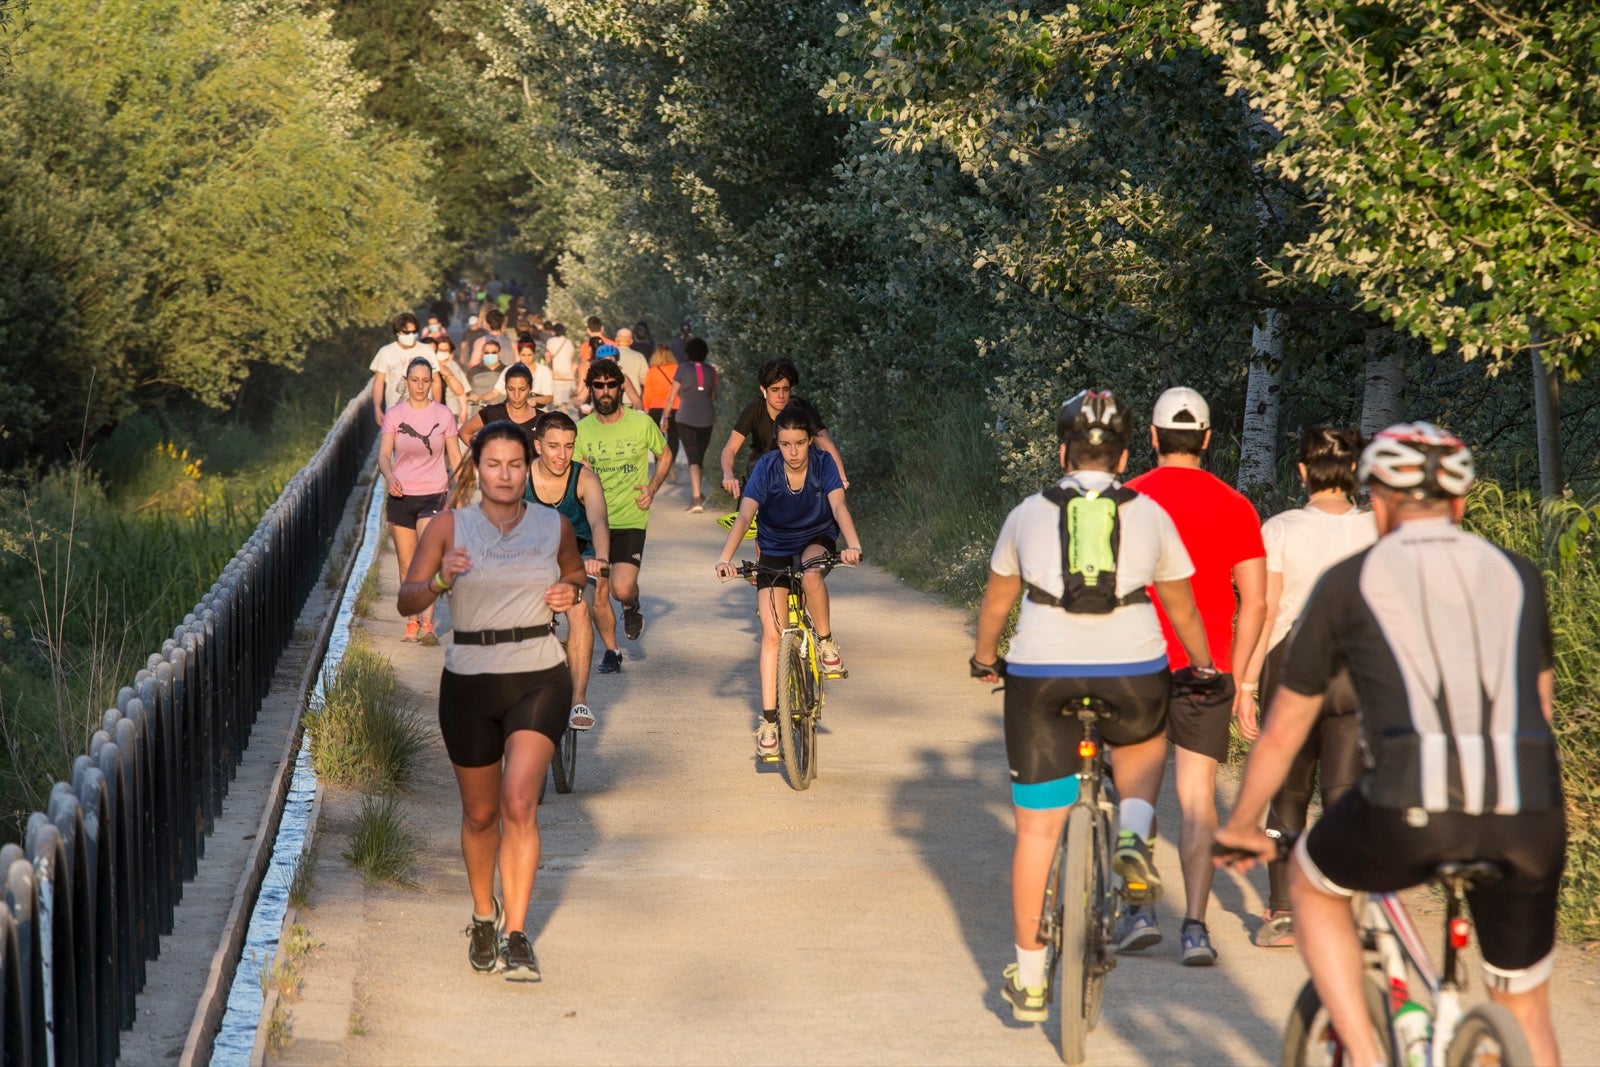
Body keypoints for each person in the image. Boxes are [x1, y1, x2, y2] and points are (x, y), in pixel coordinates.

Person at [1215, 423, 1566, 1067]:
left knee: (1316, 887)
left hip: (1411, 804)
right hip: (1531, 812)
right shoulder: (1518, 575)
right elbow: (1537, 707)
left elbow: (1286, 727)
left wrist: (1240, 824)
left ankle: (1368, 1053)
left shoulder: (1351, 581)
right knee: (1525, 1006)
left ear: (1377, 501)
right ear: (1460, 504)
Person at [969, 389, 1227, 1024]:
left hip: (1040, 677)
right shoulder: (1150, 513)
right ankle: (1133, 836)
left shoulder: (1027, 513)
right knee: (1142, 748)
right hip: (1131, 672)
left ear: (1062, 452)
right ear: (1124, 456)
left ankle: (1031, 982)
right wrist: (1203, 667)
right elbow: (1185, 608)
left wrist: (983, 659)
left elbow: (997, 605)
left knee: (1035, 831)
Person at [399, 420, 587, 978]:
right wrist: (440, 583)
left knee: (518, 803)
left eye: (513, 465)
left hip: (536, 672)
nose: (504, 475)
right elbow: (408, 600)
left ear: (526, 467)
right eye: (492, 465)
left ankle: (517, 934)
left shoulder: (552, 526)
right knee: (481, 814)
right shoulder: (447, 526)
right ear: (475, 469)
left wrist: (569, 590)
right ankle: (484, 914)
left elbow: (575, 571)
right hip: (470, 678)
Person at [1121, 386, 1266, 965]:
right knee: (1198, 797)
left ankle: (1138, 911)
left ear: (1151, 438)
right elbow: (1255, 601)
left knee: (1137, 792)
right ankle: (1196, 928)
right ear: (1208, 439)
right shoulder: (1236, 505)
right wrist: (1242, 677)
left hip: (1137, 662)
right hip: (1207, 668)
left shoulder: (1127, 499)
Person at [1235, 427, 1377, 948]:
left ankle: (1281, 913)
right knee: (1342, 793)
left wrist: (1246, 682)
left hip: (1292, 666)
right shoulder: (1378, 529)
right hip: (1356, 671)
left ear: (1301, 472)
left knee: (1290, 792)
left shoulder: (1280, 529)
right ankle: (1343, 910)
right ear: (1355, 474)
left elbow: (1267, 609)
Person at [715, 406, 863, 758]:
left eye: (799, 443)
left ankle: (826, 643)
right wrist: (725, 557)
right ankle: (769, 722)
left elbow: (839, 507)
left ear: (810, 441)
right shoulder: (765, 468)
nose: (793, 452)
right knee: (771, 633)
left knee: (812, 573)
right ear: (776, 444)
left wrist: (853, 544)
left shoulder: (824, 464)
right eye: (784, 444)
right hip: (775, 548)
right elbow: (746, 514)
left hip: (816, 538)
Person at [574, 360, 671, 671]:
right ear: (591, 389)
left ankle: (632, 605)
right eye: (599, 386)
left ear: (621, 388)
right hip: (593, 521)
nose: (605, 391)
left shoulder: (641, 424)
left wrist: (653, 488)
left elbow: (665, 454)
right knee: (599, 591)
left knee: (622, 588)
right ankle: (612, 653)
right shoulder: (581, 430)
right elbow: (574, 473)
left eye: (611, 385)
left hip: (631, 517)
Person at [529, 411, 612, 730]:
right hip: (532, 564)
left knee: (578, 612)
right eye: (553, 446)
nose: (561, 455)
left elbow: (598, 521)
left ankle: (578, 700)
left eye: (568, 446)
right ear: (538, 446)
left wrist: (601, 558)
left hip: (578, 563)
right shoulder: (521, 477)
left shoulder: (584, 479)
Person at [379, 356, 462, 645]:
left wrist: (458, 491)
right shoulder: (395, 414)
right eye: (415, 380)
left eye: (425, 380)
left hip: (434, 493)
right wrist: (390, 478)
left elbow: (456, 457)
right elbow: (383, 454)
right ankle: (412, 621)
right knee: (407, 562)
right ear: (406, 381)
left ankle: (427, 624)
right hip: (401, 494)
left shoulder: (443, 415)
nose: (420, 386)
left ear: (431, 382)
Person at [719, 358, 848, 498]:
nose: (781, 396)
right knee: (757, 477)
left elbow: (825, 443)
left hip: (799, 466)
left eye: (785, 390)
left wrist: (840, 477)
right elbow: (730, 448)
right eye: (775, 390)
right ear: (764, 390)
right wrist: (728, 475)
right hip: (762, 468)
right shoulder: (755, 410)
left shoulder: (801, 407)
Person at [662, 337, 718, 512]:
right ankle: (698, 492)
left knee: (692, 456)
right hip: (706, 417)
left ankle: (695, 499)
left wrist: (665, 417)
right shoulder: (712, 371)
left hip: (685, 417)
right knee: (699, 457)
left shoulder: (682, 369)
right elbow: (713, 396)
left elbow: (672, 396)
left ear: (687, 353)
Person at [370, 313, 440, 427]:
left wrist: (437, 407)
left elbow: (436, 380)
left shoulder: (426, 351)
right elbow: (379, 382)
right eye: (407, 332)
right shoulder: (385, 352)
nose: (411, 335)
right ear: (397, 332)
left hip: (424, 413)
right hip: (395, 413)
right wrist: (377, 409)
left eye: (414, 332)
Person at [460, 364, 540, 452]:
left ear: (530, 388)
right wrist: (485, 454)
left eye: (522, 389)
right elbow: (464, 432)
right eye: (511, 389)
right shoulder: (492, 413)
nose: (516, 395)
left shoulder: (541, 419)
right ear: (505, 388)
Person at [642, 344, 681, 483]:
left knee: (657, 439)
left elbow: (647, 393)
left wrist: (646, 409)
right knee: (673, 438)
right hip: (675, 407)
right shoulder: (677, 369)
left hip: (656, 408)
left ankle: (661, 464)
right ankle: (671, 464)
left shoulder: (652, 371)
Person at [432, 336, 470, 421]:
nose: (442, 353)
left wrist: (464, 411)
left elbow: (462, 392)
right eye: (440, 350)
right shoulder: (430, 365)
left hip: (452, 410)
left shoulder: (454, 366)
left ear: (450, 352)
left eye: (445, 350)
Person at [611, 328, 650, 407]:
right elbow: (645, 379)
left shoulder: (609, 356)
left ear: (616, 340)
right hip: (632, 400)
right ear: (631, 341)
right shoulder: (639, 356)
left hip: (612, 399)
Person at [546, 324, 578, 412]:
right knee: (566, 398)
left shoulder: (550, 341)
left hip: (556, 372)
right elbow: (571, 356)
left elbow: (549, 356)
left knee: (557, 400)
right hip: (567, 372)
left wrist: (548, 367)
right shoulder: (569, 342)